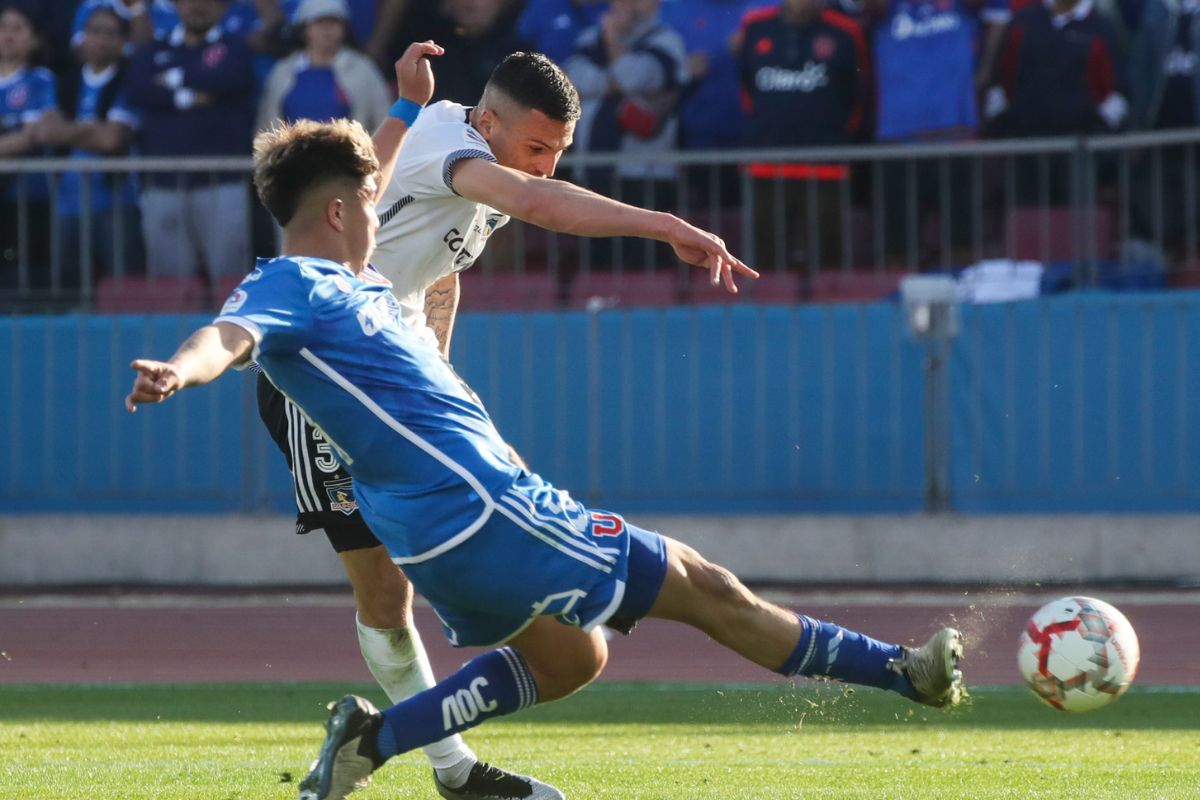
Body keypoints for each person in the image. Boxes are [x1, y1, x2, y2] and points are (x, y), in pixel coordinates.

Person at [124, 121, 966, 800]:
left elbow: (356, 217)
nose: (382, 220)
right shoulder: (292, 284)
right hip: (483, 507)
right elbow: (228, 337)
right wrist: (180, 369)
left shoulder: (368, 288)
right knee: (704, 587)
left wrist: (402, 106)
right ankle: (902, 671)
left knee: (574, 657)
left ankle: (374, 739)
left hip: (441, 524)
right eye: (372, 207)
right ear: (341, 214)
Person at [250, 48, 761, 799]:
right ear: (487, 121)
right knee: (385, 594)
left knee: (491, 534)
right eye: (536, 148)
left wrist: (443, 373)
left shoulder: (476, 166)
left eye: (559, 151)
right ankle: (454, 770)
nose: (547, 166)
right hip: (328, 382)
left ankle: (555, 629)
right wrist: (667, 225)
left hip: (404, 381)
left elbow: (441, 270)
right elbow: (539, 203)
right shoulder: (443, 139)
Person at [125, 0, 256, 288]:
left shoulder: (235, 48)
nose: (198, 6)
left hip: (223, 181)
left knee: (229, 279)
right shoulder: (154, 49)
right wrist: (188, 96)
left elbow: (229, 79)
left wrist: (173, 78)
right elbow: (138, 89)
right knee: (170, 284)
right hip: (163, 183)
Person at [31, 4, 144, 289]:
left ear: (122, 41)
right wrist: (91, 128)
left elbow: (111, 139)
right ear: (82, 36)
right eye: (94, 31)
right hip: (66, 203)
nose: (100, 39)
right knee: (68, 288)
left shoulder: (130, 80)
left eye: (110, 33)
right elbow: (45, 131)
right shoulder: (63, 81)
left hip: (117, 202)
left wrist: (66, 131)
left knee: (122, 287)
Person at [256, 0, 392, 132]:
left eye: (333, 22)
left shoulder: (362, 69)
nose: (327, 29)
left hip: (346, 154)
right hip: (292, 154)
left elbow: (384, 118)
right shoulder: (282, 71)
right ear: (305, 29)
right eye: (319, 22)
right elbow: (266, 126)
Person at [0, 4, 58, 298]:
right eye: (3, 27)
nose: (8, 35)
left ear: (33, 39)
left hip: (28, 196)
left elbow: (33, 134)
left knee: (24, 274)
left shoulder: (40, 80)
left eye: (17, 28)